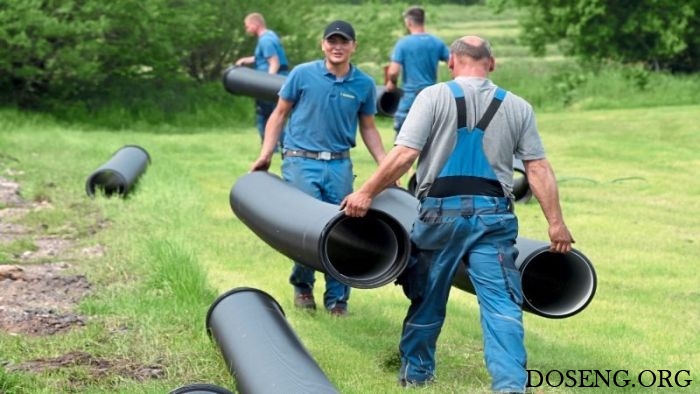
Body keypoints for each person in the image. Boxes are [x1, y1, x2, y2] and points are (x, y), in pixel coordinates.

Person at [341, 36, 575, 392]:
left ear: (451, 62)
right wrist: (556, 224)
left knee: (429, 296)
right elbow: (538, 169)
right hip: (493, 218)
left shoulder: (432, 97)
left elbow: (404, 154)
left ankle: (417, 376)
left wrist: (365, 192)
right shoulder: (518, 106)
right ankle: (511, 385)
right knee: (501, 304)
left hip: (439, 216)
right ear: (491, 63)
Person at [250, 20, 388, 317]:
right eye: (332, 41)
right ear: (323, 44)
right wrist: (266, 155)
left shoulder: (363, 84)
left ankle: (338, 301)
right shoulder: (302, 74)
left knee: (343, 229)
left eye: (344, 42)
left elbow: (369, 129)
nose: (337, 47)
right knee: (307, 228)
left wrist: (387, 168)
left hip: (339, 164)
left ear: (354, 46)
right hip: (301, 160)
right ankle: (302, 285)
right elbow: (279, 115)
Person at [385, 6, 449, 135]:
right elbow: (454, 63)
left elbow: (393, 71)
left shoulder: (403, 43)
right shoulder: (437, 43)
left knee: (402, 143)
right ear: (423, 21)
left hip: (410, 98)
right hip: (432, 98)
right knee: (431, 142)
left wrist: (392, 83)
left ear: (408, 22)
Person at [235, 12, 290, 149]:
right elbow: (263, 57)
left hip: (270, 83)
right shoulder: (270, 36)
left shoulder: (265, 40)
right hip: (279, 80)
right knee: (276, 115)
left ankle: (274, 147)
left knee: (266, 116)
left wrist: (265, 84)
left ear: (255, 24)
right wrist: (245, 60)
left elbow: (274, 62)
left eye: (247, 26)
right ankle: (280, 146)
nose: (246, 29)